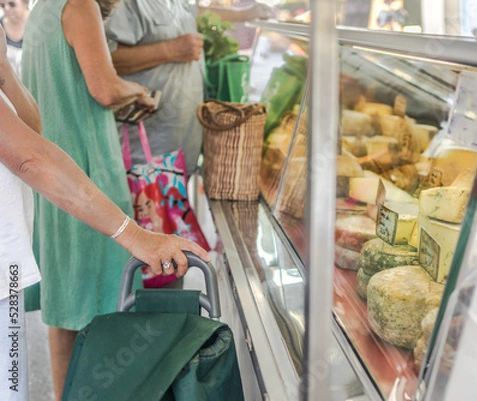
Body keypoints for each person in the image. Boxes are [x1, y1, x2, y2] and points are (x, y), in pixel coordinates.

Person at [0, 25, 209, 401]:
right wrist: (136, 236)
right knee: (10, 383)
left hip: (10, 259)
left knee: (20, 371)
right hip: (22, 235)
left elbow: (31, 126)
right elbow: (29, 156)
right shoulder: (79, 7)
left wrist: (2, 65)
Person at [103, 1, 273, 176]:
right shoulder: (125, 3)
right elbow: (107, 59)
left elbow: (194, 12)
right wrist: (170, 50)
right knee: (142, 200)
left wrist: (243, 14)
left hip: (182, 142)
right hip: (146, 148)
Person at [0, 0, 29, 75]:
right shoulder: (0, 27)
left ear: (25, 3)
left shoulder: (38, 25)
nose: (6, 8)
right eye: (2, 5)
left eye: (12, 4)